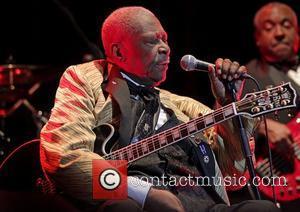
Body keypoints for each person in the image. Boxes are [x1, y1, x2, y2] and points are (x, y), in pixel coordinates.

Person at [40, 6, 279, 212]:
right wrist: (145, 194)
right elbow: (64, 158)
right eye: (152, 40)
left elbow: (234, 178)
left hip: (201, 205)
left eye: (165, 39)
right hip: (135, 203)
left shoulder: (185, 107)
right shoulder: (86, 79)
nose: (166, 48)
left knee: (262, 208)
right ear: (118, 51)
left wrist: (227, 103)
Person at [244, 2, 299, 151]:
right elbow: (225, 127)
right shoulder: (246, 77)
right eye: (269, 28)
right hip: (276, 169)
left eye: (286, 25)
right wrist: (260, 126)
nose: (279, 33)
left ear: (297, 32)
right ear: (257, 37)